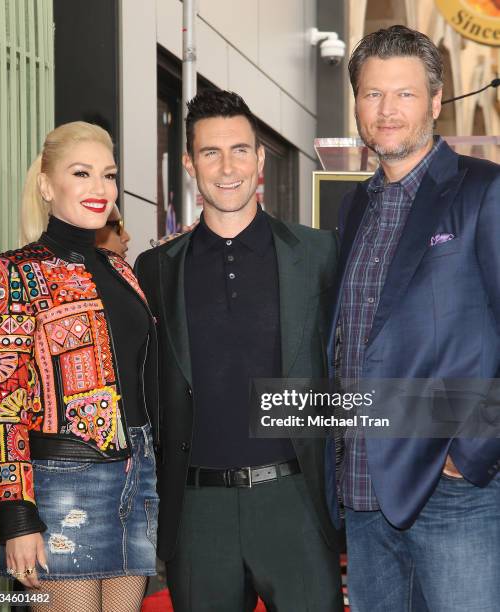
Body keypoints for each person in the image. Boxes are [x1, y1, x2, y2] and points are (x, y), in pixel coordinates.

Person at [135, 90, 344, 611]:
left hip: (295, 502)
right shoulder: (155, 269)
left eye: (239, 150)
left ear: (259, 159)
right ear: (189, 163)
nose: (226, 167)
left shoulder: (319, 254)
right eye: (210, 153)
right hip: (198, 512)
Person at [325, 25, 500, 611]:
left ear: (435, 99)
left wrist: (470, 453)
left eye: (404, 93)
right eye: (373, 94)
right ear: (356, 105)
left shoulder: (484, 192)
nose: (387, 110)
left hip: (452, 490)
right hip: (363, 490)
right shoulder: (354, 208)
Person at [0, 121, 159, 612]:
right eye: (81, 173)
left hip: (137, 476)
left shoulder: (123, 271)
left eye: (108, 175)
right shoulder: (15, 271)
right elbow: (2, 403)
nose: (99, 188)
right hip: (62, 482)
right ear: (46, 184)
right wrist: (18, 517)